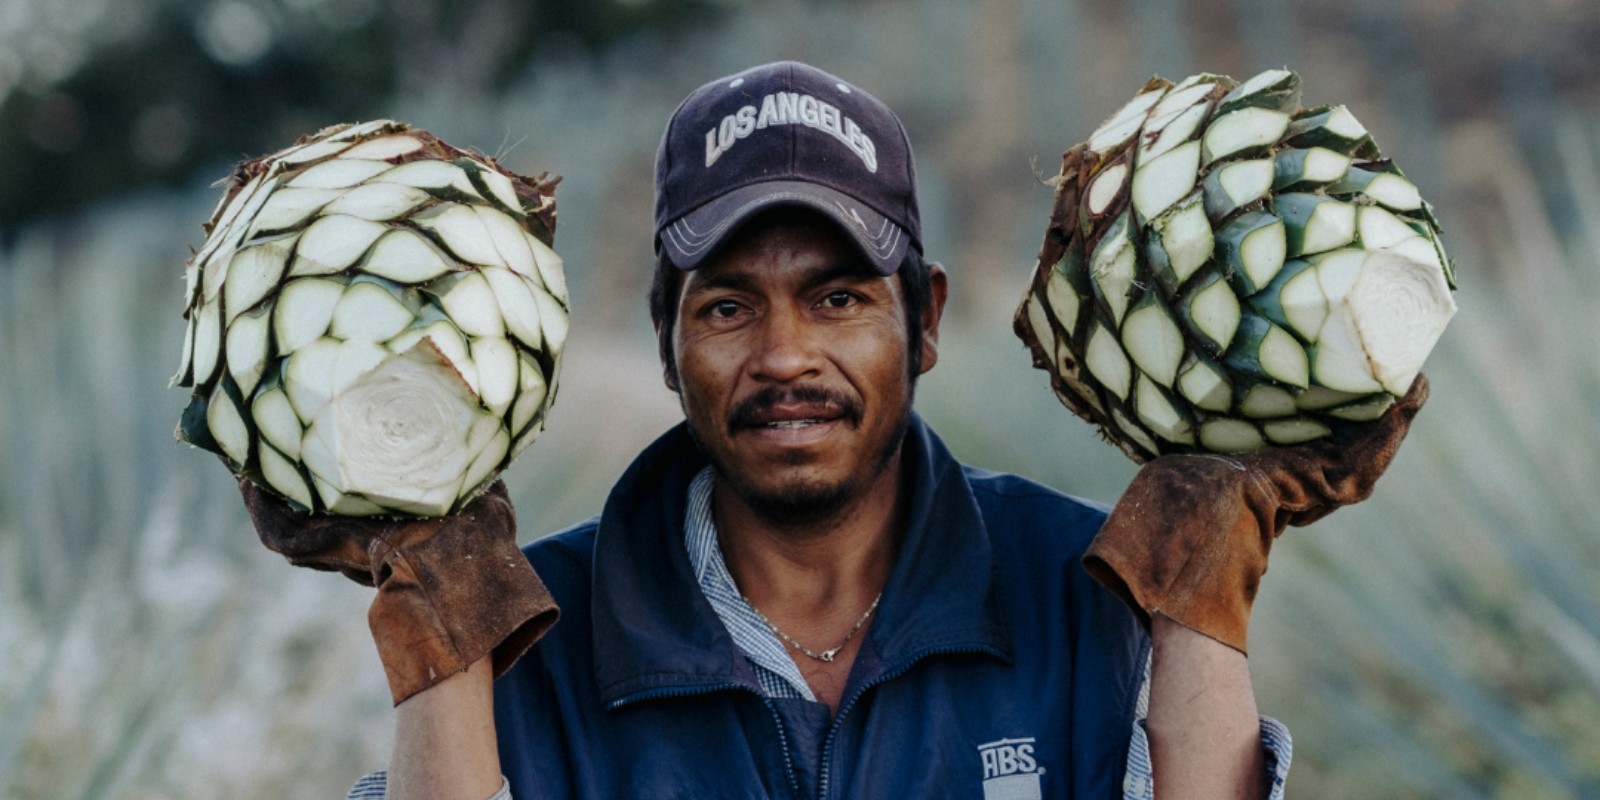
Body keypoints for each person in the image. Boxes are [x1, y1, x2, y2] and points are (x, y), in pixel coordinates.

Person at [241, 61, 1427, 800]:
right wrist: (439, 625)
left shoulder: (1090, 590)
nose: (783, 354)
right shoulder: (532, 635)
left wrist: (1206, 583)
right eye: (725, 305)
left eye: (839, 295)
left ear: (925, 320)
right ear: (667, 341)